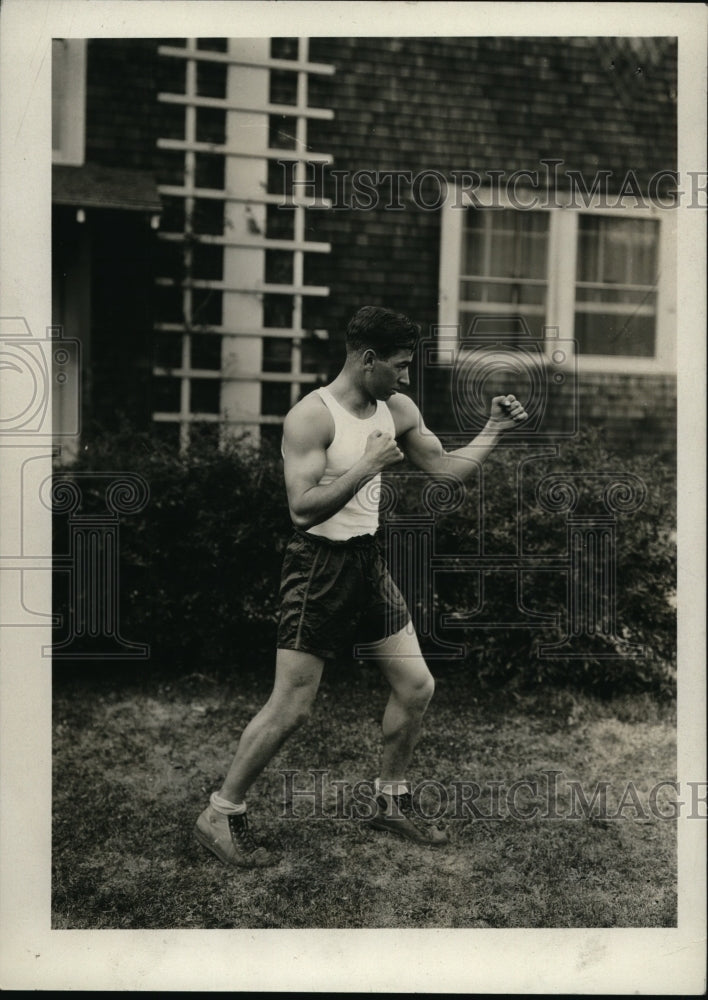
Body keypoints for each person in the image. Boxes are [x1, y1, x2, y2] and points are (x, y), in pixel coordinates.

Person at [195, 306, 528, 867]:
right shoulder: (311, 417)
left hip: (368, 561)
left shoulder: (397, 408)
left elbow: (444, 469)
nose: (406, 377)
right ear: (367, 359)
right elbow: (301, 511)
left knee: (416, 687)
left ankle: (390, 800)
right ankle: (220, 813)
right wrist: (368, 465)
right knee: (292, 709)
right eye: (399, 366)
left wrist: (494, 428)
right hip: (317, 568)